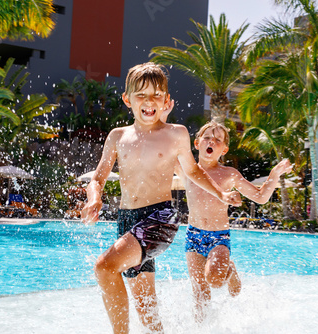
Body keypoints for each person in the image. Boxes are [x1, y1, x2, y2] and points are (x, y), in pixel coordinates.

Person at [80, 62, 242, 334]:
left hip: (160, 218)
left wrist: (220, 192)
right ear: (127, 99)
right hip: (127, 221)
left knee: (105, 267)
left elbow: (193, 171)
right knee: (146, 309)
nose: (149, 101)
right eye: (141, 95)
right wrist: (93, 198)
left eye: (156, 95)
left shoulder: (175, 134)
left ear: (165, 100)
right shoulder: (118, 136)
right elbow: (97, 178)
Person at [174, 121, 292, 322]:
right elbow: (165, 147)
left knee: (214, 280)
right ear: (196, 143)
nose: (211, 141)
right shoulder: (187, 169)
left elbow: (261, 196)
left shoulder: (229, 174)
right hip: (192, 236)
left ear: (224, 149)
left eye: (218, 140)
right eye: (207, 137)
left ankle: (230, 270)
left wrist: (274, 175)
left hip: (218, 237)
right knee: (200, 293)